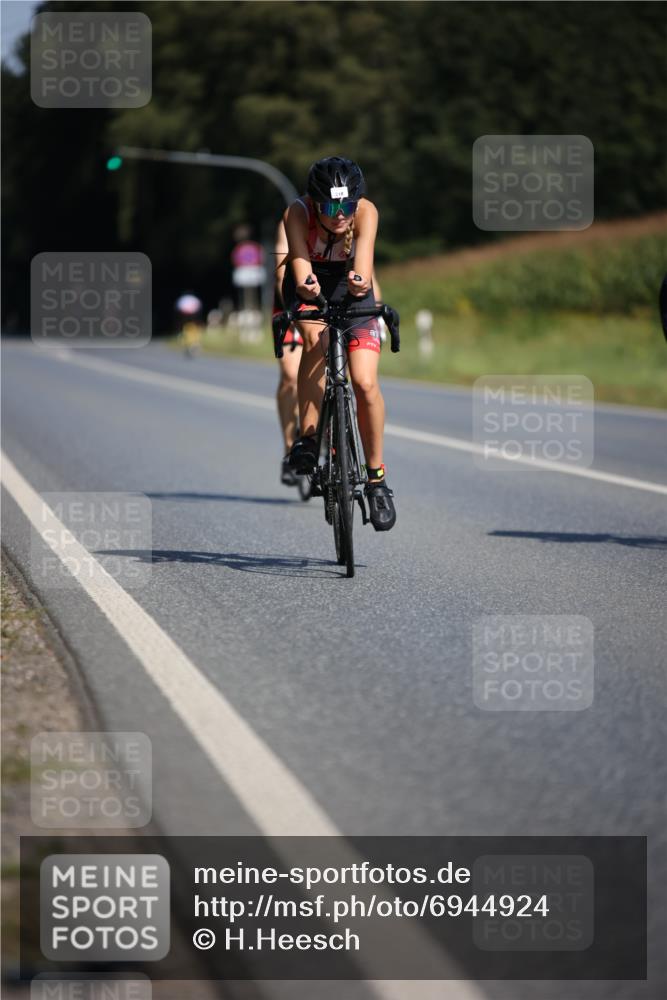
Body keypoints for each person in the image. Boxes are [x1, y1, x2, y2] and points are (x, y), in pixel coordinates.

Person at [280, 156, 396, 531]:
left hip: (350, 286)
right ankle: (310, 440)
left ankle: (376, 479)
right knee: (317, 338)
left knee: (364, 382)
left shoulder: (366, 212)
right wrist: (306, 287)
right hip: (308, 282)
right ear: (315, 202)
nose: (339, 215)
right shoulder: (297, 213)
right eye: (330, 207)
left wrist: (361, 281)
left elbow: (362, 264)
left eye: (346, 206)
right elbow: (299, 269)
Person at [273, 216, 386, 488]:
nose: (338, 212)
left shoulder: (360, 215)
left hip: (345, 299)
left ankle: (337, 435)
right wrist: (297, 310)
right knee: (290, 373)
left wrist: (378, 310)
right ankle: (293, 446)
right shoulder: (295, 218)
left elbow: (368, 272)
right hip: (300, 299)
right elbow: (283, 273)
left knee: (353, 373)